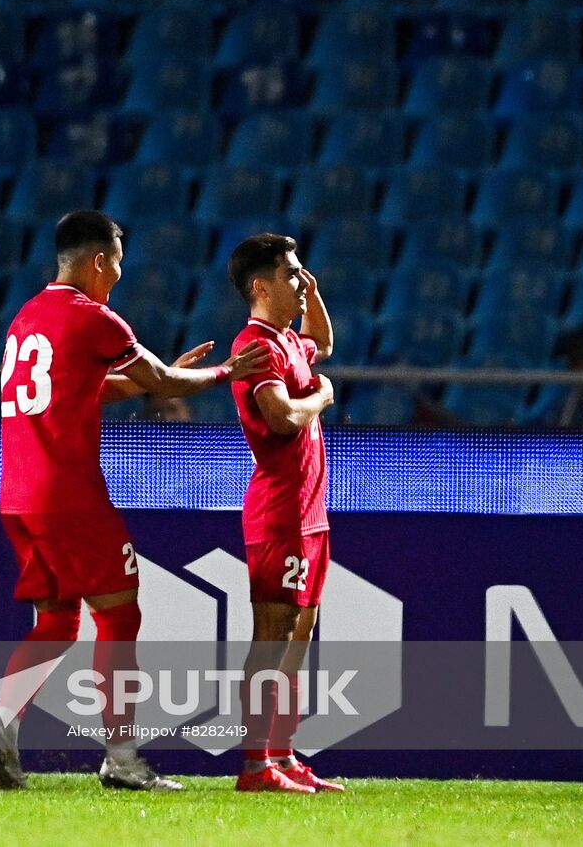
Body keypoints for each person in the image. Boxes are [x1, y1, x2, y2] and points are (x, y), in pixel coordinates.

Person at [0, 210, 268, 792]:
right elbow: (162, 383)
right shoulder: (95, 318)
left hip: (16, 494)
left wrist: (157, 378)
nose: (119, 274)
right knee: (118, 613)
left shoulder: (26, 316)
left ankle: (3, 726)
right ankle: (122, 757)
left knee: (57, 620)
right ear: (100, 261)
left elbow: (82, 390)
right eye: (117, 263)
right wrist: (224, 371)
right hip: (71, 495)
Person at [225, 233, 344, 794]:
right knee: (271, 636)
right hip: (280, 511)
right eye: (292, 274)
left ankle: (283, 754)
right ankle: (255, 766)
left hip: (310, 509)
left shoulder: (288, 341)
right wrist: (321, 397)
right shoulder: (256, 346)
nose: (300, 281)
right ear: (260, 286)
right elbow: (280, 417)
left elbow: (323, 340)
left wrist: (311, 295)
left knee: (300, 633)